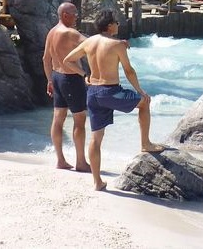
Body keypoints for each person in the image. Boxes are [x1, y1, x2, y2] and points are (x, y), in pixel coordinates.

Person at [63, 10, 165, 191]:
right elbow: (129, 71)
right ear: (110, 25)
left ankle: (97, 182)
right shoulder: (117, 45)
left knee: (96, 138)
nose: (118, 24)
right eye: (116, 22)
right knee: (144, 102)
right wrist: (141, 91)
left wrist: (84, 74)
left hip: (93, 93)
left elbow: (67, 60)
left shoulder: (89, 42)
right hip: (110, 92)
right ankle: (145, 143)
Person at [42, 2, 90, 172]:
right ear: (64, 15)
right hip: (71, 79)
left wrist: (49, 80)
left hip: (56, 77)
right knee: (79, 120)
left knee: (58, 119)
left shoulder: (52, 32)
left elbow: (45, 59)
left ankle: (60, 160)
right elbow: (92, 44)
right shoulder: (71, 33)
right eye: (74, 13)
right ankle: (81, 162)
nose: (77, 16)